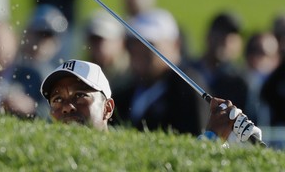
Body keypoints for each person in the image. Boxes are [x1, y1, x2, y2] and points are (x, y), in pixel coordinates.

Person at [39, 59, 262, 146]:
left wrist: (232, 146)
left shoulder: (135, 149)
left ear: (108, 108)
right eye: (57, 100)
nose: (67, 107)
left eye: (80, 96)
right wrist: (212, 138)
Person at [113, 9, 210, 136]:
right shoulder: (128, 89)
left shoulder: (188, 87)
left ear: (175, 44)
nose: (138, 50)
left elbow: (198, 137)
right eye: (133, 43)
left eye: (149, 44)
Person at [192, 11, 248, 110]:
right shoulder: (188, 72)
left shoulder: (241, 82)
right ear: (208, 35)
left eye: (232, 37)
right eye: (221, 33)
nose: (226, 41)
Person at [81, 9, 132, 94]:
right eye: (93, 39)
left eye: (101, 40)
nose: (96, 45)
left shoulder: (131, 75)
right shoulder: (82, 71)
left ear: (120, 42)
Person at [243, 31, 280, 125]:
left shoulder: (279, 89)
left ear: (276, 58)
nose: (257, 58)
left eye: (264, 54)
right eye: (253, 51)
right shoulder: (234, 85)